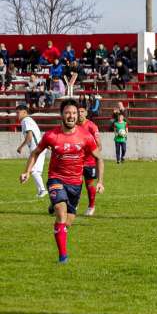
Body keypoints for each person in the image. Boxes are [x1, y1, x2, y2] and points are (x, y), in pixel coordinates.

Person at [19, 99, 104, 263]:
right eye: (67, 113)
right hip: (56, 178)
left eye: (73, 113)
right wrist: (27, 172)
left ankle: (57, 207)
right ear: (62, 115)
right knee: (61, 213)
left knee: (67, 222)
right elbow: (35, 152)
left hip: (75, 184)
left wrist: (100, 181)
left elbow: (99, 158)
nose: (71, 116)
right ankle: (63, 257)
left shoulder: (85, 136)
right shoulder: (51, 135)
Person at [16, 105, 47, 198]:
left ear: (24, 112)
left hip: (37, 149)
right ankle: (40, 191)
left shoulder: (26, 120)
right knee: (36, 171)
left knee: (33, 171)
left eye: (18, 113)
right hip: (39, 148)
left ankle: (42, 190)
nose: (17, 115)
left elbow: (29, 136)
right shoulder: (28, 120)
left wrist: (21, 147)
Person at [77, 103, 102, 216]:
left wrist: (91, 152)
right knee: (74, 183)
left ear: (86, 113)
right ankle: (73, 205)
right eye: (78, 111)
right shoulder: (73, 126)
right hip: (75, 160)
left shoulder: (92, 126)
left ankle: (91, 206)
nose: (80, 113)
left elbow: (99, 145)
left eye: (82, 111)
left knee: (89, 184)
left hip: (89, 161)